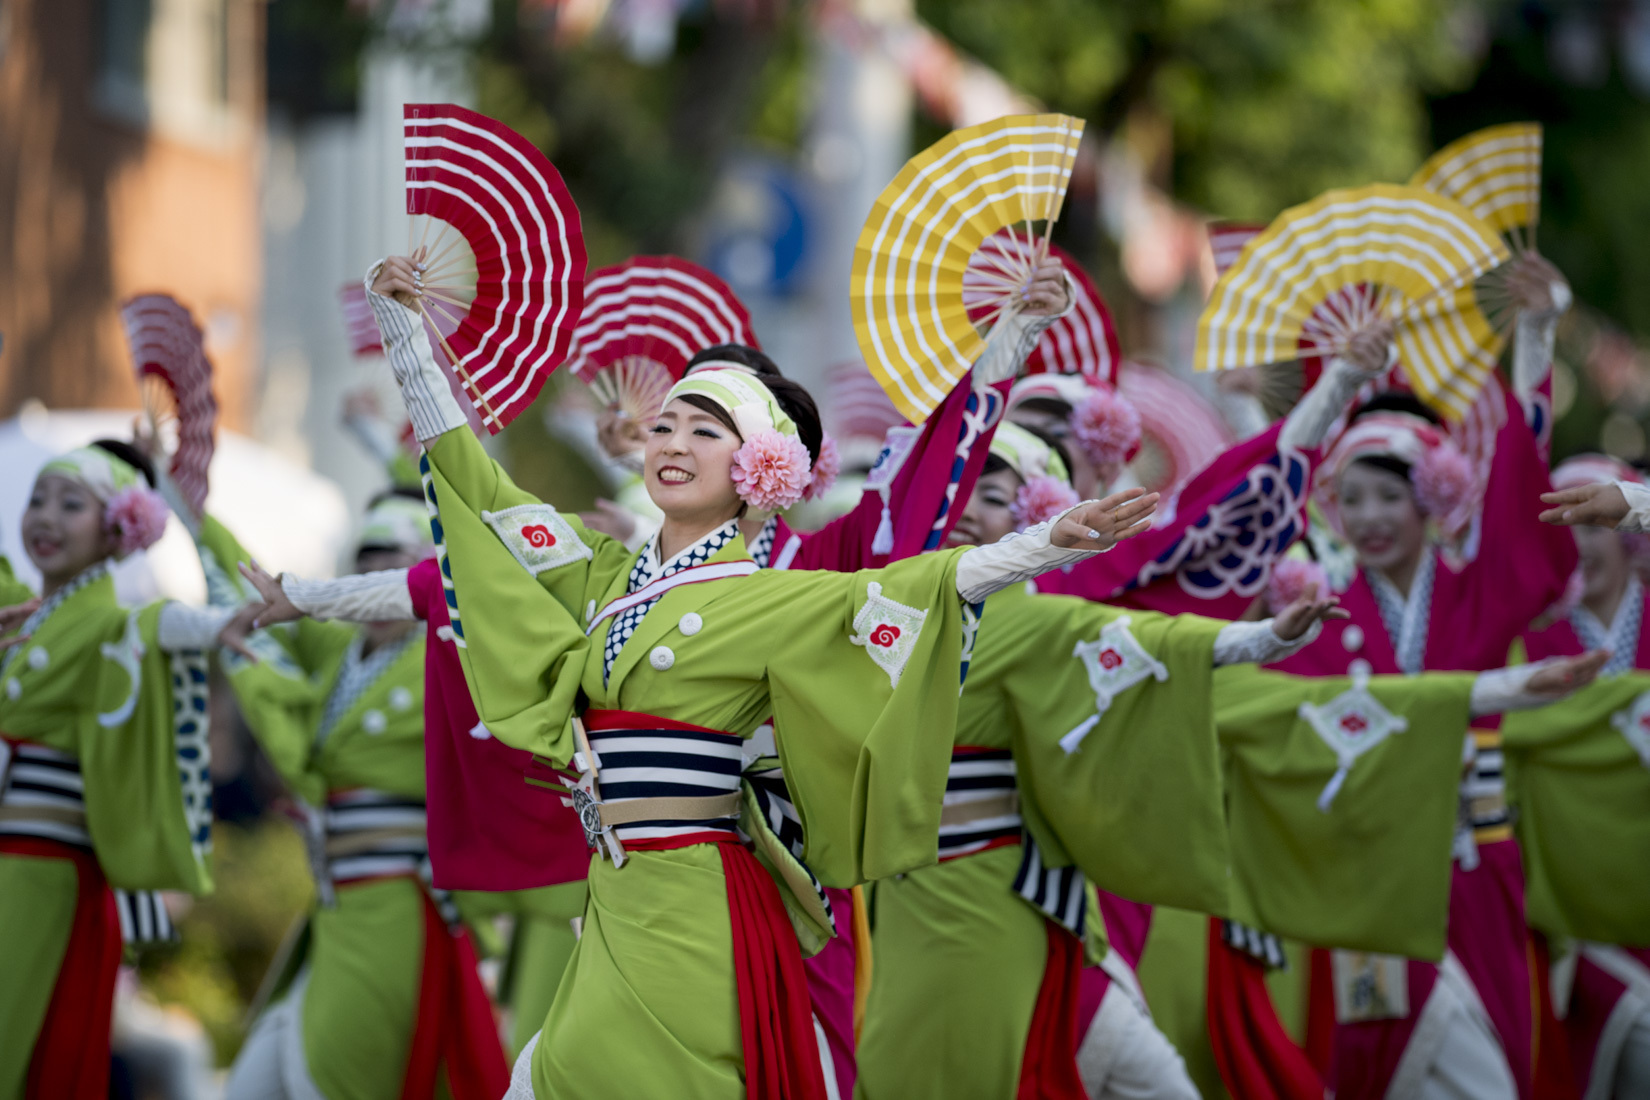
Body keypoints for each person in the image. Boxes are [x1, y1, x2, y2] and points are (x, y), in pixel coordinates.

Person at [361, 251, 1158, 1100]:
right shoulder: (602, 576)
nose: (672, 443)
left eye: (706, 432)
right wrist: (404, 330)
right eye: (666, 425)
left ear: (755, 472)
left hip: (692, 905)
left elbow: (915, 585)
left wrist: (1046, 541)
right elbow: (483, 492)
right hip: (617, 897)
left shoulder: (773, 596)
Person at [206, 491, 510, 1100]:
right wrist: (194, 514)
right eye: (365, 565)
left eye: (392, 567)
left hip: (397, 905)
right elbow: (257, 595)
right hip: (332, 904)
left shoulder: (448, 662)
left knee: (345, 1082)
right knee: (254, 1083)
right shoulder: (337, 651)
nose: (376, 581)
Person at [0, 440, 256, 1100]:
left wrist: (215, 624)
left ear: (117, 530)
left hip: (38, 863)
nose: (46, 517)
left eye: (71, 504)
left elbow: (161, 625)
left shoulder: (109, 624)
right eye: (37, 500)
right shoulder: (19, 613)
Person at [1522, 454, 1650, 1099]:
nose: (1579, 546)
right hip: (1568, 908)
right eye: (1562, 529)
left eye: (1593, 525)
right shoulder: (1524, 645)